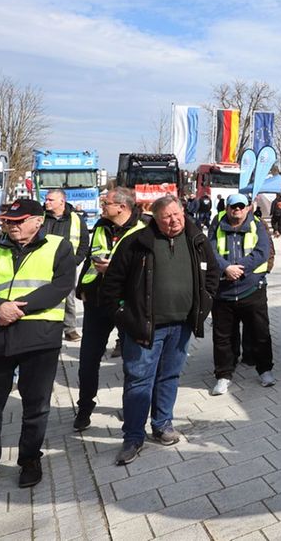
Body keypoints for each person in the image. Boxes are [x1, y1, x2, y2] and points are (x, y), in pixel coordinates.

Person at [0, 198, 75, 497]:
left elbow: (60, 286)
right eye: (7, 221)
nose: (12, 226)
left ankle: (30, 460)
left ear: (37, 221)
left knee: (36, 405)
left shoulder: (58, 246)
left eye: (18, 221)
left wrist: (17, 309)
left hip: (38, 336)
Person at [99, 196, 215, 465]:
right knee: (139, 380)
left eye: (177, 215)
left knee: (170, 376)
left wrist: (204, 304)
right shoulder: (137, 243)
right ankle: (133, 437)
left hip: (181, 325)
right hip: (145, 327)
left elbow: (212, 274)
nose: (174, 221)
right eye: (167, 217)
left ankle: (162, 424)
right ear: (155, 218)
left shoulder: (197, 239)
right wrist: (125, 318)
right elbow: (111, 287)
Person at [73, 187, 146, 431]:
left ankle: (130, 407)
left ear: (122, 207)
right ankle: (84, 409)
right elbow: (90, 258)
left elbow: (147, 269)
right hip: (97, 302)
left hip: (127, 302)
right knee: (88, 360)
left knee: (131, 361)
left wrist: (114, 269)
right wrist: (81, 287)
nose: (102, 206)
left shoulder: (143, 228)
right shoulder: (101, 226)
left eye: (106, 203)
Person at [208, 193, 275, 395]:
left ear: (248, 208)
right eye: (233, 207)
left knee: (260, 332)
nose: (236, 210)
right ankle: (223, 375)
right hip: (223, 292)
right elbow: (210, 251)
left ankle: (265, 370)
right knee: (223, 337)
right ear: (227, 208)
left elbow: (263, 251)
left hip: (252, 289)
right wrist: (226, 268)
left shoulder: (257, 224)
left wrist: (239, 269)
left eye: (240, 206)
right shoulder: (217, 223)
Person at [42, 190, 90, 342]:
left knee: (68, 297)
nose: (46, 202)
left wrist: (75, 261)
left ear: (62, 201)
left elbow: (84, 243)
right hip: (42, 263)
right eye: (46, 199)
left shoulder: (76, 219)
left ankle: (70, 329)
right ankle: (44, 327)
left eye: (50, 200)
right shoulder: (40, 217)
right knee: (42, 293)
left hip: (66, 265)